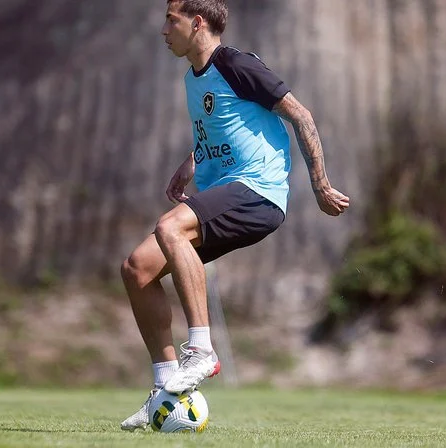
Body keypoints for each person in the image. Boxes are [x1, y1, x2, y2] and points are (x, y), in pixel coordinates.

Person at [120, 0, 350, 431]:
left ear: (197, 22)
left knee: (170, 227)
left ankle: (202, 350)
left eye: (171, 20)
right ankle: (165, 389)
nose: (164, 30)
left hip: (258, 193)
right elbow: (225, 124)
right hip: (229, 191)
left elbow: (301, 115)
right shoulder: (194, 77)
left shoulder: (236, 64)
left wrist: (320, 184)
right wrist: (190, 162)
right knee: (137, 269)